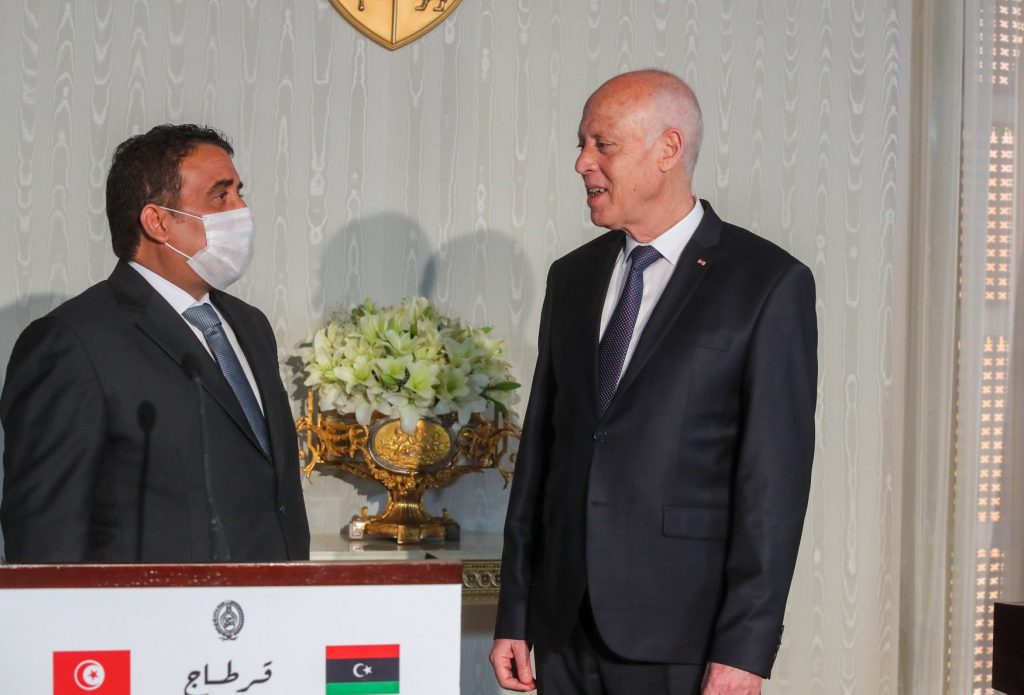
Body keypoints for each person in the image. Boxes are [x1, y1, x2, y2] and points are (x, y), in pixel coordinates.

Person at [490, 70, 817, 695]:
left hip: (682, 638)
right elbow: (540, 456)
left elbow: (773, 488)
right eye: (582, 144)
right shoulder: (572, 277)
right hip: (562, 629)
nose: (582, 162)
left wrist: (745, 650)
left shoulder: (767, 283)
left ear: (668, 149)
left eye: (603, 144)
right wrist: (516, 612)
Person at [0, 124, 310, 563]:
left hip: (275, 598)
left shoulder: (250, 325)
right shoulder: (71, 342)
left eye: (239, 193)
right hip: (155, 605)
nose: (241, 209)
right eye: (220, 196)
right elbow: (45, 534)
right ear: (157, 222)